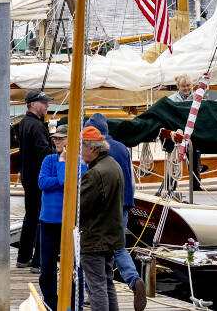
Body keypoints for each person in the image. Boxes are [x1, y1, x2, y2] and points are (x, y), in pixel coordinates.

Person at [87, 113, 146, 309]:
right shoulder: (122, 148)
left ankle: (130, 279)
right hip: (125, 202)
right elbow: (130, 177)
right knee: (117, 246)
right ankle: (134, 280)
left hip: (105, 209)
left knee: (109, 253)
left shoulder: (98, 154)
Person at [38, 125, 85, 311]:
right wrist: (61, 174)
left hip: (69, 222)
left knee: (74, 266)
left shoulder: (80, 161)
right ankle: (50, 302)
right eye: (55, 138)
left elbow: (67, 182)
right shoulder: (49, 159)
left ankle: (74, 304)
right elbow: (42, 183)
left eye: (61, 138)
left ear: (71, 140)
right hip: (48, 220)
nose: (57, 141)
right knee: (47, 265)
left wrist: (64, 163)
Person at [78, 125, 125, 311]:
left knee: (97, 287)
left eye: (82, 147)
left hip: (94, 237)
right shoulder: (114, 165)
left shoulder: (94, 173)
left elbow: (81, 207)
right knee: (107, 283)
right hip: (110, 236)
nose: (80, 152)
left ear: (92, 149)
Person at [16, 90, 55, 270]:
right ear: (33, 104)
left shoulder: (24, 123)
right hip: (39, 178)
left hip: (28, 176)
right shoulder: (38, 126)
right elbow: (44, 153)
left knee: (30, 216)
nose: (47, 105)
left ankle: (23, 257)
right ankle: (38, 262)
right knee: (41, 217)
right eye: (44, 103)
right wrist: (61, 154)